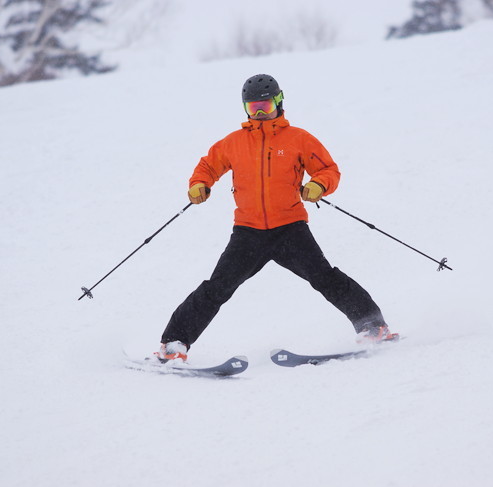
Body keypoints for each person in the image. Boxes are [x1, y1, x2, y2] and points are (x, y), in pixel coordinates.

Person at [157, 74, 397, 362]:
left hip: (290, 229)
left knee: (325, 278)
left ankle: (373, 327)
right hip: (248, 232)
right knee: (216, 288)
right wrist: (199, 184)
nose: (259, 112)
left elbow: (329, 170)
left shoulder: (298, 139)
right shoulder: (233, 142)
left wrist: (318, 185)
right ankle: (173, 345)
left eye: (266, 106)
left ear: (279, 103)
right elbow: (208, 166)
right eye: (253, 106)